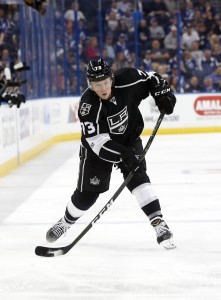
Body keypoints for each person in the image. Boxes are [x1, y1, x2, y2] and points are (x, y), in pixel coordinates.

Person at [46, 58, 176, 249]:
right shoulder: (88, 106)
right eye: (97, 84)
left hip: (129, 139)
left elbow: (152, 79)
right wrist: (123, 155)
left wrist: (162, 93)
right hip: (97, 151)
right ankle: (65, 222)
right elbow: (97, 143)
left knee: (139, 178)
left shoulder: (128, 78)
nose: (103, 88)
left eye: (105, 82)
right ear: (90, 84)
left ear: (112, 78)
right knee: (87, 196)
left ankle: (159, 224)